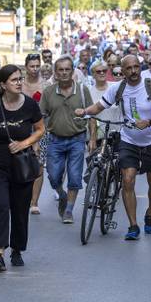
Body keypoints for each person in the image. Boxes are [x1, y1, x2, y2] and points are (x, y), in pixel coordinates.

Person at [77, 54, 151, 240]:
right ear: (123, 70)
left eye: (136, 67)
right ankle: (133, 225)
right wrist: (84, 111)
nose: (133, 71)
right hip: (129, 140)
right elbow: (99, 106)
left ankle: (150, 212)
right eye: (129, 68)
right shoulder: (118, 88)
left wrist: (150, 122)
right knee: (127, 180)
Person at [0, 65, 45, 272]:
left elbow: (40, 129)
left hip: (22, 166)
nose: (19, 82)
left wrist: (24, 143)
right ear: (3, 84)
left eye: (20, 79)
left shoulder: (30, 105)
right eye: (14, 80)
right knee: (1, 206)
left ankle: (17, 249)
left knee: (20, 210)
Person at [40, 56, 96, 223]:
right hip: (55, 140)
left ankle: (69, 211)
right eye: (60, 70)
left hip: (77, 139)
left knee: (74, 175)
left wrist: (92, 138)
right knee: (53, 175)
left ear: (72, 71)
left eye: (67, 69)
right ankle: (61, 194)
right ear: (55, 73)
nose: (64, 73)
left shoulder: (82, 90)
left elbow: (91, 115)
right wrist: (38, 139)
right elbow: (40, 117)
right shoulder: (48, 92)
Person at [23, 53, 47, 215]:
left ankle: (34, 202)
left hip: (41, 128)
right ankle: (22, 197)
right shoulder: (19, 84)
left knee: (38, 164)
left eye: (37, 66)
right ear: (26, 67)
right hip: (21, 128)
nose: (35, 69)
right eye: (32, 66)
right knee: (21, 164)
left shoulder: (45, 85)